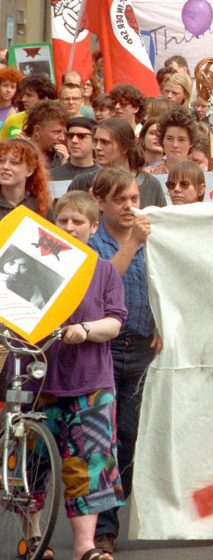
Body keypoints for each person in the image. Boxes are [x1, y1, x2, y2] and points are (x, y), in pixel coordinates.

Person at [4, 191, 127, 560]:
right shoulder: (28, 264)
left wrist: (86, 330)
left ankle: (84, 547)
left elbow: (115, 321)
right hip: (33, 377)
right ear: (52, 225)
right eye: (63, 221)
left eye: (78, 222)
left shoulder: (103, 271)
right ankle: (34, 540)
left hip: (89, 380)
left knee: (88, 464)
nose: (70, 228)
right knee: (30, 465)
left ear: (93, 228)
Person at [89, 167, 159, 556]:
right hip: (104, 350)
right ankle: (104, 527)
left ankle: (114, 503)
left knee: (129, 439)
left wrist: (164, 322)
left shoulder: (153, 237)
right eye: (121, 200)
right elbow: (103, 285)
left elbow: (169, 285)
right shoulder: (93, 242)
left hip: (143, 348)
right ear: (101, 203)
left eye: (134, 198)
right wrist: (131, 242)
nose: (131, 206)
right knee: (104, 439)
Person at [67, 118, 167, 209]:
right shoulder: (82, 182)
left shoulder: (151, 185)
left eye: (104, 142)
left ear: (124, 147)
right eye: (95, 141)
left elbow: (162, 225)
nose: (97, 147)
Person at [0, 138, 53, 220]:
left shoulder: (40, 205)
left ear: (30, 170)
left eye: (14, 163)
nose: (5, 167)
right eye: (1, 161)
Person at [145, 109, 197, 175]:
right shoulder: (148, 175)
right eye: (169, 139)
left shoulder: (200, 174)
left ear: (191, 143)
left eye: (181, 140)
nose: (175, 145)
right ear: (162, 140)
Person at [49, 116, 99, 182]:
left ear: (94, 142)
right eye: (70, 136)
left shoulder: (102, 177)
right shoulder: (50, 176)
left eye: (81, 136)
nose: (74, 140)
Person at [25, 100, 69, 169]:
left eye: (64, 133)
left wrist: (66, 166)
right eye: (57, 132)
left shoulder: (61, 156)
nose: (62, 138)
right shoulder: (21, 155)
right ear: (37, 130)